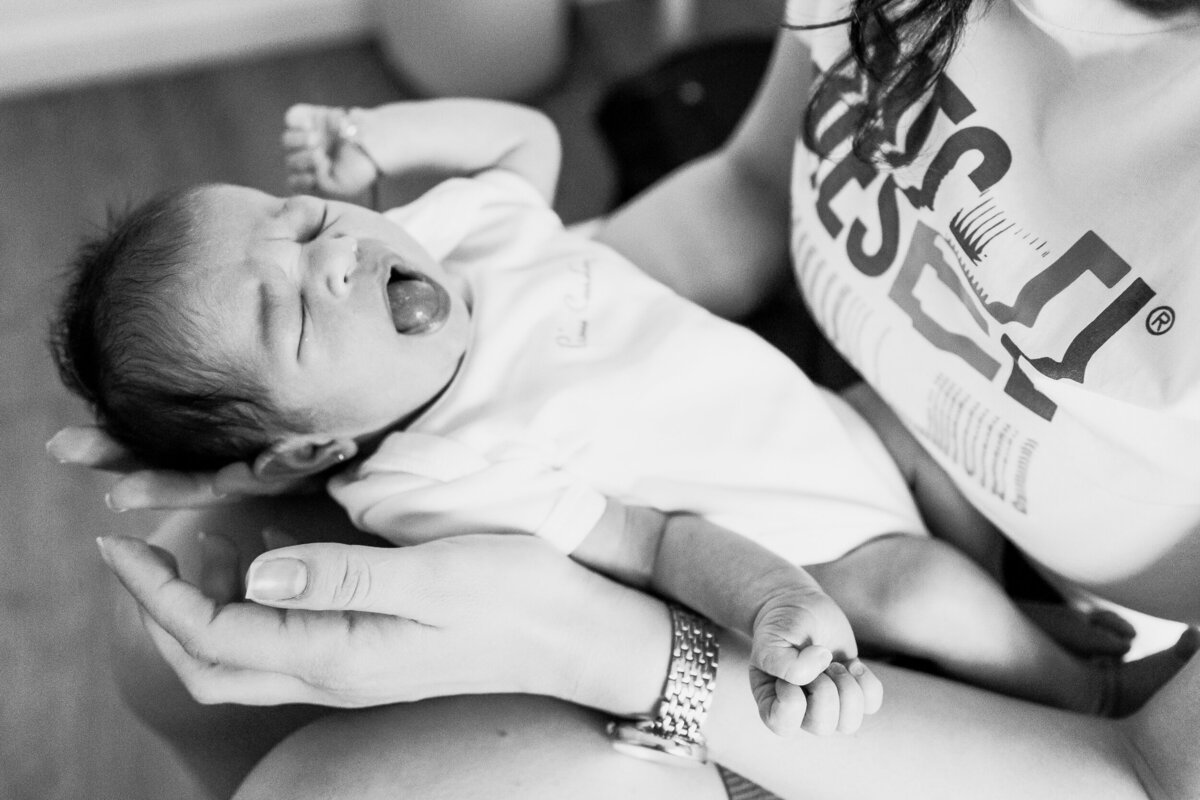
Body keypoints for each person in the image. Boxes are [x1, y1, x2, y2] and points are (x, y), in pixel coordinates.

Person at [48, 0, 1200, 798]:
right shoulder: (422, 472)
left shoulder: (437, 234)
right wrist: (245, 434)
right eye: (296, 311)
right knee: (178, 604)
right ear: (318, 442)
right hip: (825, 476)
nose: (339, 256)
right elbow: (731, 213)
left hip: (1116, 729)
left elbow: (522, 154)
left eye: (303, 224)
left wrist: (384, 139)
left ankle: (1074, 682)